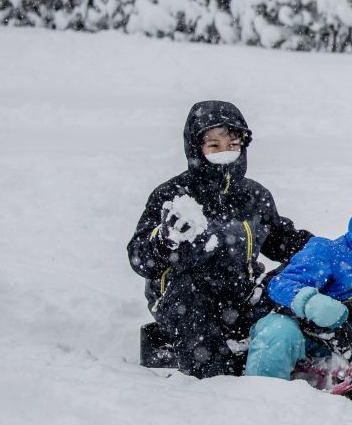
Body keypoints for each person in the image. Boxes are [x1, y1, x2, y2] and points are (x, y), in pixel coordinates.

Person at [127, 100, 313, 379]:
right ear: (196, 148)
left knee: (295, 279)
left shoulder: (254, 196)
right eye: (214, 145)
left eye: (232, 145)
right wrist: (165, 239)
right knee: (193, 305)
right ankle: (218, 383)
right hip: (184, 298)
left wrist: (326, 252)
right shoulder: (173, 194)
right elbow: (139, 258)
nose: (225, 153)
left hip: (242, 293)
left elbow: (282, 241)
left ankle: (320, 356)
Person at [243, 181, 352, 402]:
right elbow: (281, 284)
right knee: (280, 331)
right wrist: (310, 302)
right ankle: (262, 399)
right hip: (297, 334)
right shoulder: (327, 253)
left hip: (337, 347)